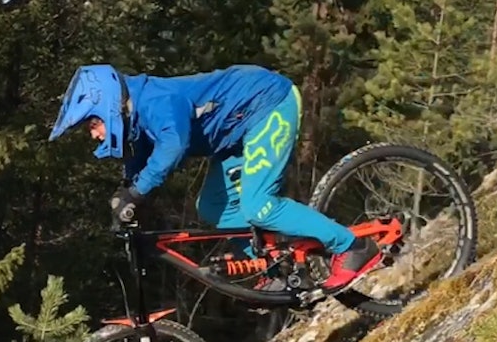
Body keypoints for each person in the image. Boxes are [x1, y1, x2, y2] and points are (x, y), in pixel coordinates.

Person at [47, 63, 383, 292]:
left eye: (92, 125)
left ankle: (353, 246)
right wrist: (127, 191)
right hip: (236, 131)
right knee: (212, 206)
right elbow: (141, 154)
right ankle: (273, 269)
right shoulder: (136, 110)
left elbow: (172, 145)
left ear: (107, 105)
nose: (94, 134)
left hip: (268, 105)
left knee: (258, 205)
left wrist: (138, 192)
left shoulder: (155, 100)